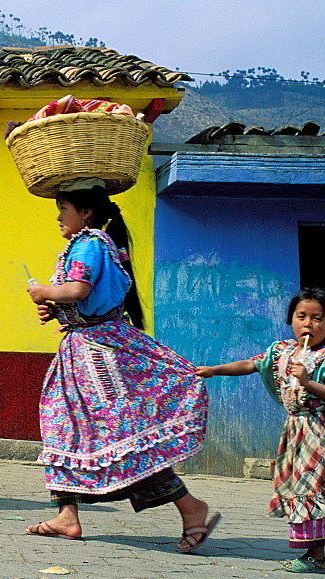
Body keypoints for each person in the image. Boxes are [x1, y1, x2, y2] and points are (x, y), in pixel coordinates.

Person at [24, 183, 218, 551]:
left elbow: (79, 290)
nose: (58, 217)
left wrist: (46, 293)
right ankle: (67, 515)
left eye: (63, 208)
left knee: (112, 436)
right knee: (68, 429)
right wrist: (54, 310)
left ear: (86, 213)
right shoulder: (90, 246)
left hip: (97, 355)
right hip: (83, 351)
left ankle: (190, 506)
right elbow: (84, 298)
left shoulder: (90, 242)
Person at [196, 287, 325, 573]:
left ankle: (316, 555)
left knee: (315, 490)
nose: (308, 324)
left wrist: (309, 382)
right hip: (295, 431)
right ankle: (322, 545)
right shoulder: (282, 352)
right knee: (299, 487)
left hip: (324, 432)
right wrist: (215, 370)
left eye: (317, 318)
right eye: (301, 316)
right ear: (291, 320)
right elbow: (251, 364)